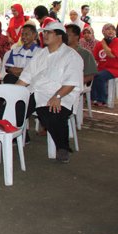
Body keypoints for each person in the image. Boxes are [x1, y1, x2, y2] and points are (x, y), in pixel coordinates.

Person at [16, 22, 83, 163]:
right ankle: (19, 136)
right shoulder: (41, 54)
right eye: (44, 32)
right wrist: (13, 93)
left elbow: (71, 82)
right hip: (36, 91)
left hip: (60, 94)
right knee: (14, 105)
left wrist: (57, 96)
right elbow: (26, 76)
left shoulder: (71, 56)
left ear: (59, 36)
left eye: (48, 32)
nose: (44, 35)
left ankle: (62, 147)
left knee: (50, 112)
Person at [91, 23, 118, 107]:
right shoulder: (98, 44)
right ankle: (93, 98)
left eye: (112, 29)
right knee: (91, 74)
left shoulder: (116, 41)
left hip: (114, 69)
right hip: (102, 68)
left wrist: (104, 44)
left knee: (99, 76)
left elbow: (111, 55)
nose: (111, 31)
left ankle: (102, 99)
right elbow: (95, 58)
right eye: (108, 29)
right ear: (103, 31)